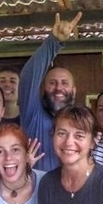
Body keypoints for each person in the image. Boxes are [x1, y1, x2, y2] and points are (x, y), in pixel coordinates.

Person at [18, 12, 83, 171]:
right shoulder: (32, 114)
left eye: (64, 83)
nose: (58, 88)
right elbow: (28, 76)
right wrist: (54, 42)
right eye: (52, 83)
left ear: (74, 91)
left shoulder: (82, 121)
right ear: (42, 88)